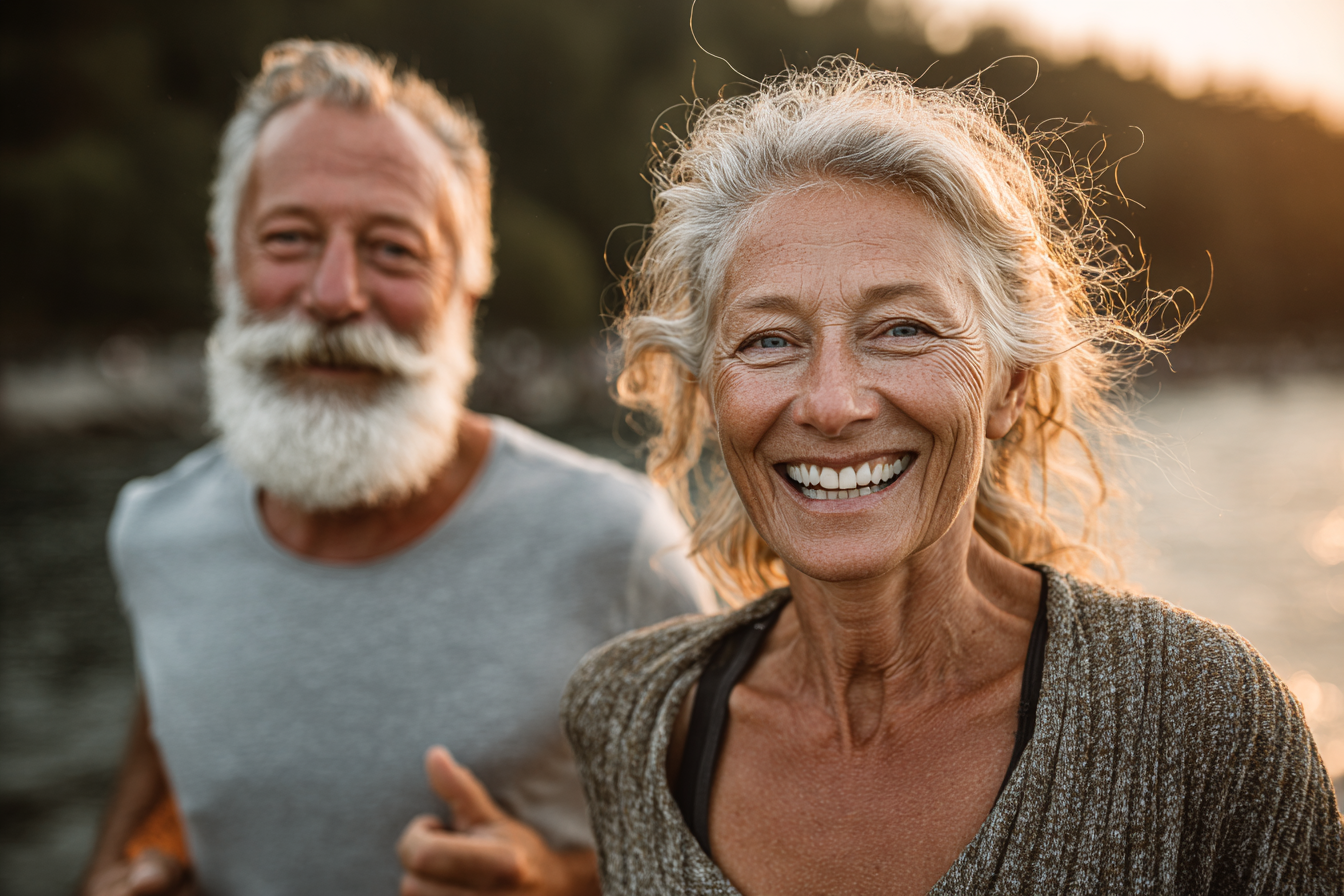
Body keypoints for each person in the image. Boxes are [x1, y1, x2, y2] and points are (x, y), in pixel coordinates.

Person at [561, 59, 1344, 895]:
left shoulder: (1200, 717)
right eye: (768, 340)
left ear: (1009, 384)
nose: (831, 403)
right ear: (708, 394)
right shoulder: (633, 719)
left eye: (902, 328)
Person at [79, 40, 712, 896]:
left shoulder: (614, 538)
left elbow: (727, 845)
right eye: (290, 238)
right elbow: (165, 785)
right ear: (226, 261)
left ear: (469, 281)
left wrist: (557, 882)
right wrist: (148, 863)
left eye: (393, 249)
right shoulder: (154, 532)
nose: (336, 294)